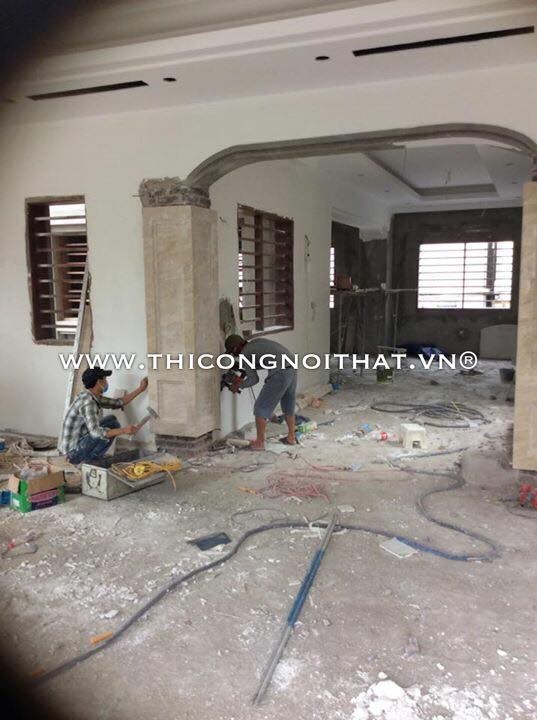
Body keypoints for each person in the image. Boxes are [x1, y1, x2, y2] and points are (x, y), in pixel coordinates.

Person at [59, 368, 148, 464]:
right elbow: (96, 432)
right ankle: (90, 460)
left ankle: (91, 457)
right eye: (105, 379)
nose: (106, 382)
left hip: (79, 441)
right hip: (72, 453)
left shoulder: (91, 396)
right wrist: (124, 430)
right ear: (99, 382)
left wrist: (141, 389)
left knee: (112, 421)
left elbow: (118, 402)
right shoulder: (88, 402)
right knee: (110, 428)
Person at [225, 334, 297, 450]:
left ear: (235, 348)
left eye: (233, 353)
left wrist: (238, 385)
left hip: (280, 371)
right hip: (291, 367)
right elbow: (259, 363)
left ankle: (259, 443)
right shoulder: (255, 343)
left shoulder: (245, 353)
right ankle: (291, 437)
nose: (235, 355)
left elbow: (254, 379)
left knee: (260, 407)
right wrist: (242, 377)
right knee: (288, 404)